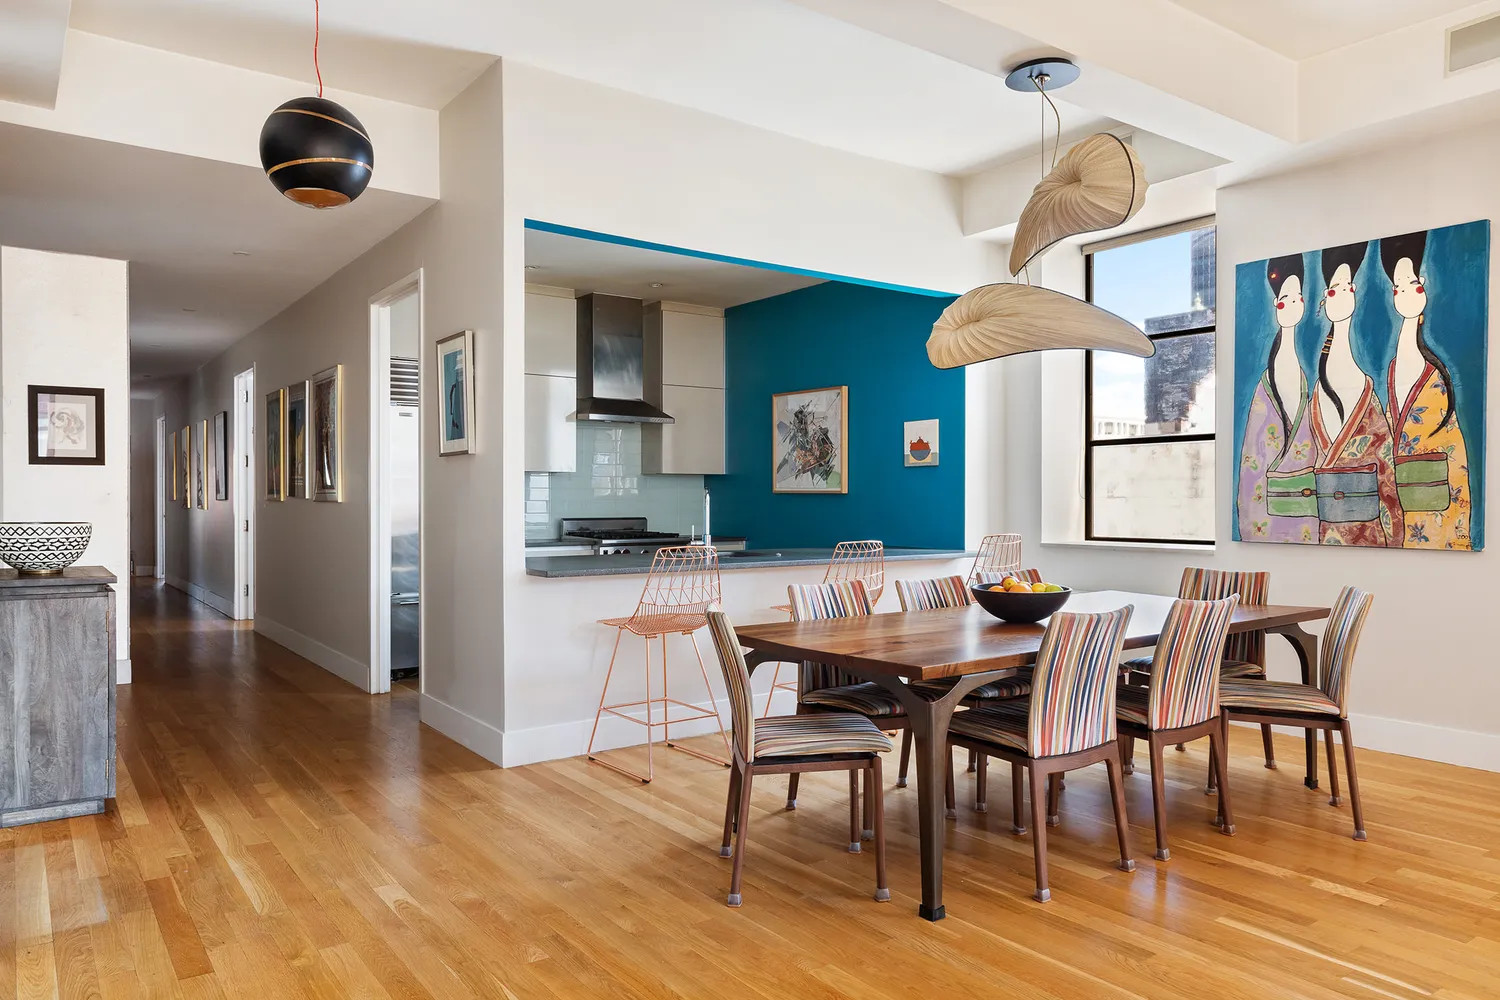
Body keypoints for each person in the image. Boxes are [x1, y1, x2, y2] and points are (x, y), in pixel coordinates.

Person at [1381, 231, 1473, 549]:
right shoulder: (1393, 368)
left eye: (1411, 284)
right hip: (1405, 499)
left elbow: (1451, 443)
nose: (1405, 293)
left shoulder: (1437, 373)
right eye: (1398, 287)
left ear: (1423, 283)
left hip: (1437, 498)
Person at [1307, 241, 1402, 547]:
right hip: (1323, 533)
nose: (1346, 292)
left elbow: (1385, 469)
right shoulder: (1315, 395)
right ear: (1324, 299)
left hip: (1370, 533)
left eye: (1349, 287)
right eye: (1337, 288)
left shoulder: (1366, 387)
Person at [1236, 254, 1320, 543]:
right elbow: (1253, 458)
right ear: (1276, 303)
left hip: (1307, 513)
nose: (1295, 303)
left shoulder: (1303, 376)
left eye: (1298, 296)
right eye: (1287, 296)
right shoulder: (1267, 384)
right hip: (1270, 510)